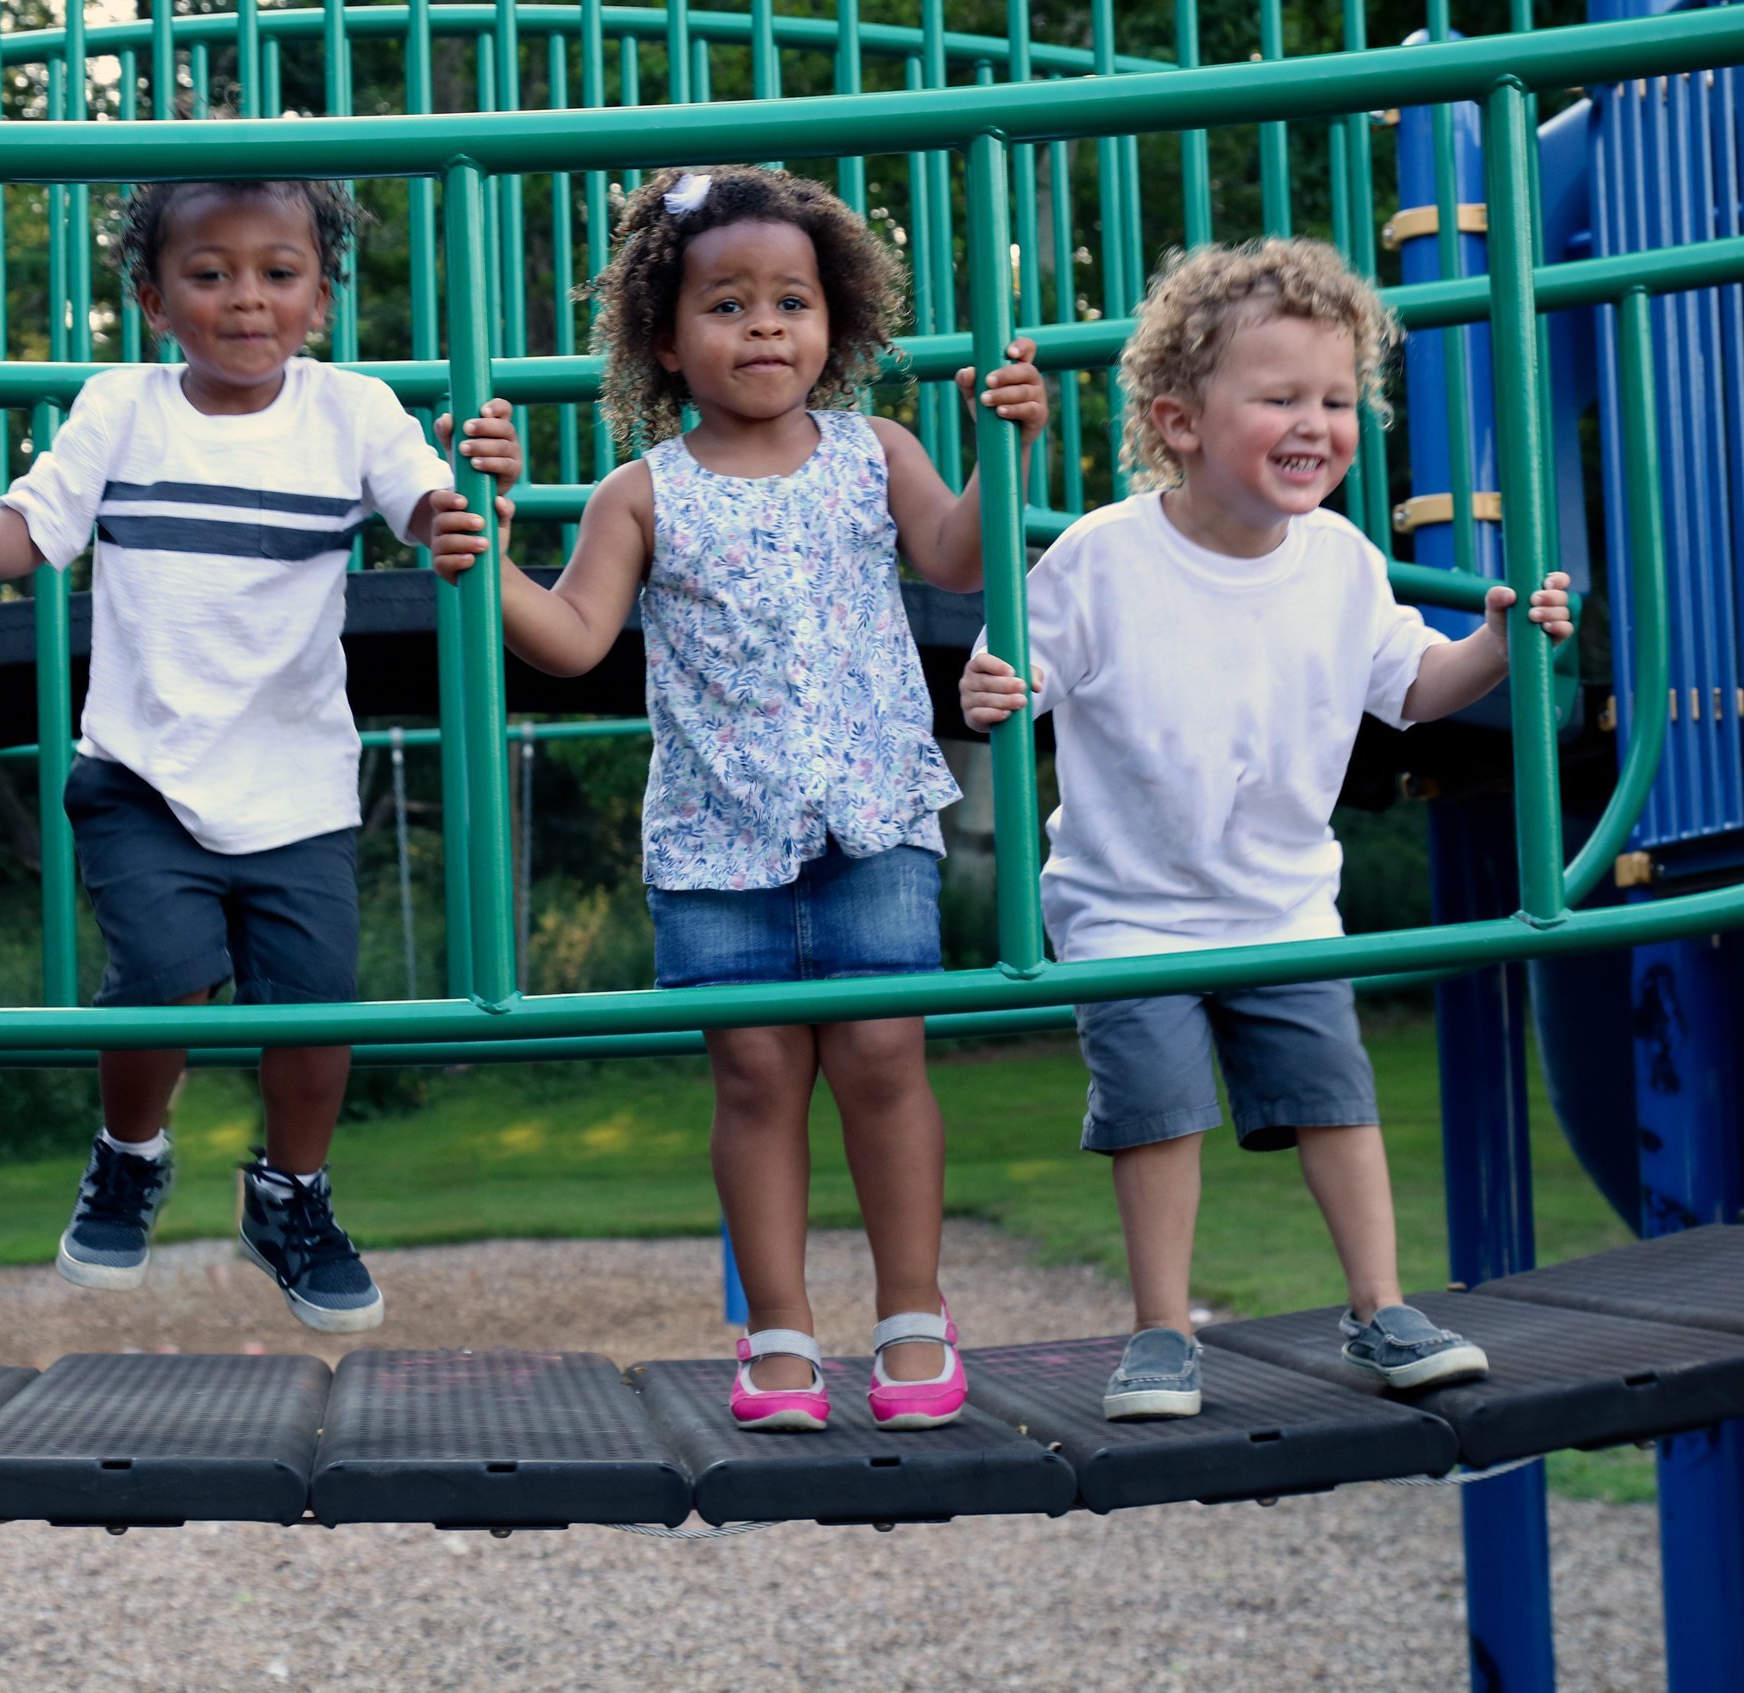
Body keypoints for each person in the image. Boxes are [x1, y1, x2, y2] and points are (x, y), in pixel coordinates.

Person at [435, 164, 1046, 1430]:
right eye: (727, 305)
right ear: (664, 336)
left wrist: (1007, 451)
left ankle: (913, 1318)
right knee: (756, 1077)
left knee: (883, 1058)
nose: (764, 326)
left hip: (874, 814)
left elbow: (956, 556)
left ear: (836, 324)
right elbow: (570, 637)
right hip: (717, 840)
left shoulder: (874, 451)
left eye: (791, 302)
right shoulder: (643, 490)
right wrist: (485, 564)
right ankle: (776, 1332)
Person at [959, 238, 1573, 1420]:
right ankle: (1158, 1331)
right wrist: (996, 687)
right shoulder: (1103, 555)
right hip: (1130, 910)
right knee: (1157, 1109)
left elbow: (1411, 685)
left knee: (1335, 1097)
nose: (1317, 423)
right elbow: (1016, 669)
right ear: (1179, 420)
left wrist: (1493, 647)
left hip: (1285, 902)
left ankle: (1380, 1307)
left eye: (1337, 400)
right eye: (1281, 397)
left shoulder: (1339, 561)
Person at [0, 177, 521, 1333]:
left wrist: (473, 499)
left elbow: (435, 514)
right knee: (166, 971)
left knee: (315, 1008)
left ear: (321, 296)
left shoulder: (350, 410)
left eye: (278, 273)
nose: (247, 299)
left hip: (296, 781)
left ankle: (291, 1195)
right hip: (143, 767)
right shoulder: (121, 407)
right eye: (209, 273)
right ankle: (130, 1151)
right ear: (152, 298)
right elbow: (19, 544)